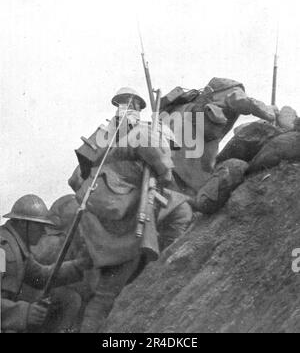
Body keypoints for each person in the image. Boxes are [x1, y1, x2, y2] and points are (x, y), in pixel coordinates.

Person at [68, 87, 193, 333]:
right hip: (126, 215)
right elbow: (161, 163)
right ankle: (164, 267)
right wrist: (163, 169)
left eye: (128, 103)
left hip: (96, 215)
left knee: (106, 287)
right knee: (181, 212)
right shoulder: (142, 131)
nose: (127, 107)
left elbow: (74, 180)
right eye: (127, 103)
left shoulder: (101, 135)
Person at [160, 78, 278, 198]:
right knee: (197, 190)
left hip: (168, 159)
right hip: (193, 158)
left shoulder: (186, 104)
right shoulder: (233, 90)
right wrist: (269, 112)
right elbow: (241, 100)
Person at [0, 194, 92, 333]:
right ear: (22, 223)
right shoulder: (2, 250)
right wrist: (24, 313)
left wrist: (80, 266)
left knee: (68, 298)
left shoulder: (17, 249)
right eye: (39, 225)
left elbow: (42, 276)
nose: (44, 231)